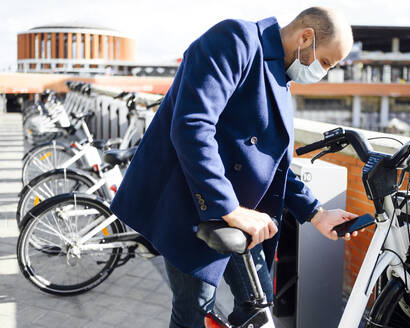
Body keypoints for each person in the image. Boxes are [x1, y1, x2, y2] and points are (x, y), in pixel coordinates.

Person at [111, 7, 359, 328]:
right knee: (194, 311)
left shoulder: (280, 77)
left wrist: (316, 214)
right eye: (325, 62)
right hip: (193, 207)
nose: (322, 72)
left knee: (257, 307)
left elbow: (275, 167)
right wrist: (228, 207)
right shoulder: (236, 39)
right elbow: (191, 126)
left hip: (242, 218)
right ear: (306, 37)